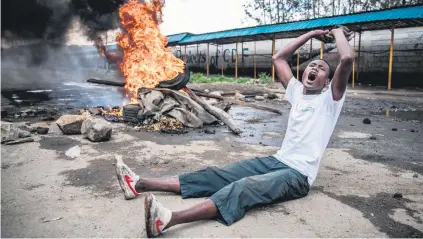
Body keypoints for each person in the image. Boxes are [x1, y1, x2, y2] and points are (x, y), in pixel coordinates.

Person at [114, 27, 354, 238]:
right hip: (277, 160)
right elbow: (278, 58)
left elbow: (346, 59)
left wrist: (337, 34)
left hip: (298, 176)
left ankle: (167, 220)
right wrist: (312, 34)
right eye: (312, 64)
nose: (315, 67)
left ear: (326, 82)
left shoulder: (330, 101)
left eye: (322, 69)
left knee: (243, 187)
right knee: (218, 175)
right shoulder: (297, 92)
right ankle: (140, 184)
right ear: (304, 74)